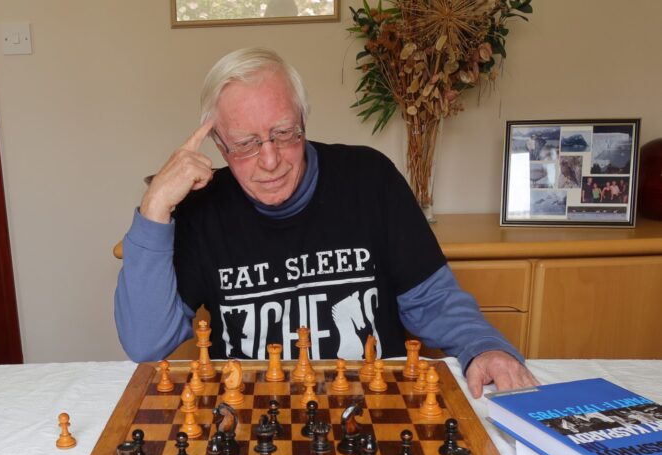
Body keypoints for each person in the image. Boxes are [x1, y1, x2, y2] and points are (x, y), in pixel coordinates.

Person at [114, 47, 538, 399]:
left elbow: (431, 300)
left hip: (372, 407)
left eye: (284, 133)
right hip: (254, 412)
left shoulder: (370, 178)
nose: (270, 160)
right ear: (219, 146)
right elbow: (147, 344)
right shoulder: (202, 207)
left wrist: (482, 348)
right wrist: (154, 209)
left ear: (304, 122)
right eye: (245, 144)